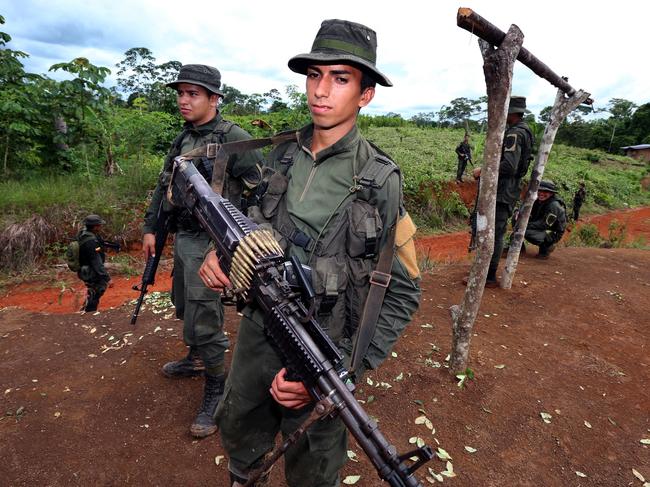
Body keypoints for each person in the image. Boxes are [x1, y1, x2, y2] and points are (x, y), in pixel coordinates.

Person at [199, 19, 421, 486]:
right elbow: (246, 224)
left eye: (340, 78)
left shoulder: (380, 180)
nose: (321, 91)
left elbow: (399, 292)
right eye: (314, 75)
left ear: (365, 95)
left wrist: (344, 369)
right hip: (260, 328)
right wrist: (219, 255)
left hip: (325, 345)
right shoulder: (279, 155)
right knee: (239, 424)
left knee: (313, 463)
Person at [142, 64, 263, 438]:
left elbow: (265, 193)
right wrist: (150, 226)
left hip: (213, 243)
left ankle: (216, 385)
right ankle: (196, 359)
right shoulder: (184, 138)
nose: (183, 100)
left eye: (193, 94)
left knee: (204, 314)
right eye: (181, 93)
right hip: (184, 237)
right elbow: (165, 182)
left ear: (214, 99)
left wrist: (232, 240)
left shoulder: (235, 139)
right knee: (183, 303)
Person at [472, 96, 534, 287]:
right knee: (495, 232)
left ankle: (488, 276)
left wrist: (484, 170)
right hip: (509, 190)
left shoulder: (515, 134)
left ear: (512, 112)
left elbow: (509, 166)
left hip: (502, 191)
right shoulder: (526, 130)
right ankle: (486, 273)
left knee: (495, 233)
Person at [524, 180, 567, 259]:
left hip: (552, 232)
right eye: (540, 190)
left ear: (551, 193)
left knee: (524, 231)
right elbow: (525, 210)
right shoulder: (537, 200)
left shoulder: (554, 205)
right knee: (517, 221)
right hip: (541, 226)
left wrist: (525, 225)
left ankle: (546, 247)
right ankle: (519, 248)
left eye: (545, 191)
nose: (541, 193)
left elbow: (545, 224)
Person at [77, 215, 111, 312]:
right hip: (89, 270)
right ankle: (89, 313)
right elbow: (96, 262)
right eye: (99, 225)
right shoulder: (90, 241)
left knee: (93, 290)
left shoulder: (84, 234)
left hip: (85, 269)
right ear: (95, 226)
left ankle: (85, 310)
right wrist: (107, 278)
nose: (101, 227)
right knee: (98, 289)